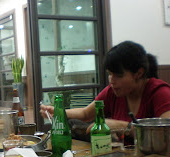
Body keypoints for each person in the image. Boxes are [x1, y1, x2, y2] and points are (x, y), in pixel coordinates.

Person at [41, 41, 170, 143]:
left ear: (139, 73)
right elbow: (86, 114)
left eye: (118, 75)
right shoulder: (113, 91)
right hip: (124, 156)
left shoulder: (160, 92)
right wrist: (57, 112)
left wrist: (123, 126)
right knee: (72, 124)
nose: (111, 81)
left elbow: (167, 134)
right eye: (109, 74)